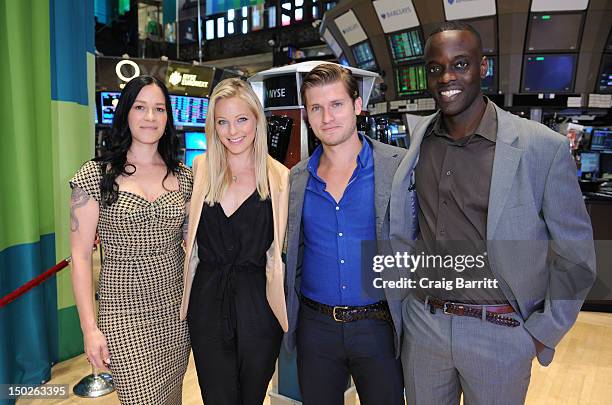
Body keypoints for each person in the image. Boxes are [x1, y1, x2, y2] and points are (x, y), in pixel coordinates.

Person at [390, 21, 596, 404]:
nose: (447, 77)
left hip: (500, 332)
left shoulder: (541, 148)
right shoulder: (419, 144)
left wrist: (539, 332)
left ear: (483, 68)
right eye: (436, 68)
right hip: (424, 328)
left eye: (461, 64)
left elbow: (577, 256)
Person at [284, 63, 406, 405]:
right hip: (315, 328)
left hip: (379, 326)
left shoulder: (397, 167)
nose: (327, 117)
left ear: (356, 105)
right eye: (316, 108)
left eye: (336, 104)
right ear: (307, 115)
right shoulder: (296, 180)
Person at [70, 75, 192, 404]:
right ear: (125, 112)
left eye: (159, 109)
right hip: (124, 313)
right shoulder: (96, 175)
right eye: (140, 107)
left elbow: (196, 245)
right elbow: (80, 257)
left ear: (168, 118)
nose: (150, 117)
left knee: (171, 397)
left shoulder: (184, 175)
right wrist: (89, 328)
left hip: (176, 311)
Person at [180, 78, 289, 404]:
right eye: (222, 121)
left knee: (251, 397)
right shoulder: (199, 169)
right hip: (207, 304)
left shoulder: (281, 178)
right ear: (212, 126)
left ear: (257, 120)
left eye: (241, 119)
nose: (232, 130)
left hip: (260, 307)